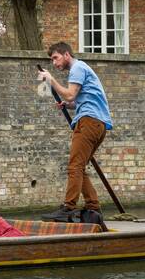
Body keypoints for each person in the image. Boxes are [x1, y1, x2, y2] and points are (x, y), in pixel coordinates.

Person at [37, 41, 113, 221]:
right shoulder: (83, 68)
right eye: (52, 60)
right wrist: (69, 106)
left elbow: (70, 93)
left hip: (88, 122)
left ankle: (68, 207)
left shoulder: (77, 68)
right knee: (80, 167)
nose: (54, 63)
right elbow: (79, 98)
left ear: (66, 55)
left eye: (55, 58)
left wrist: (51, 80)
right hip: (98, 124)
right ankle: (93, 208)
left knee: (74, 166)